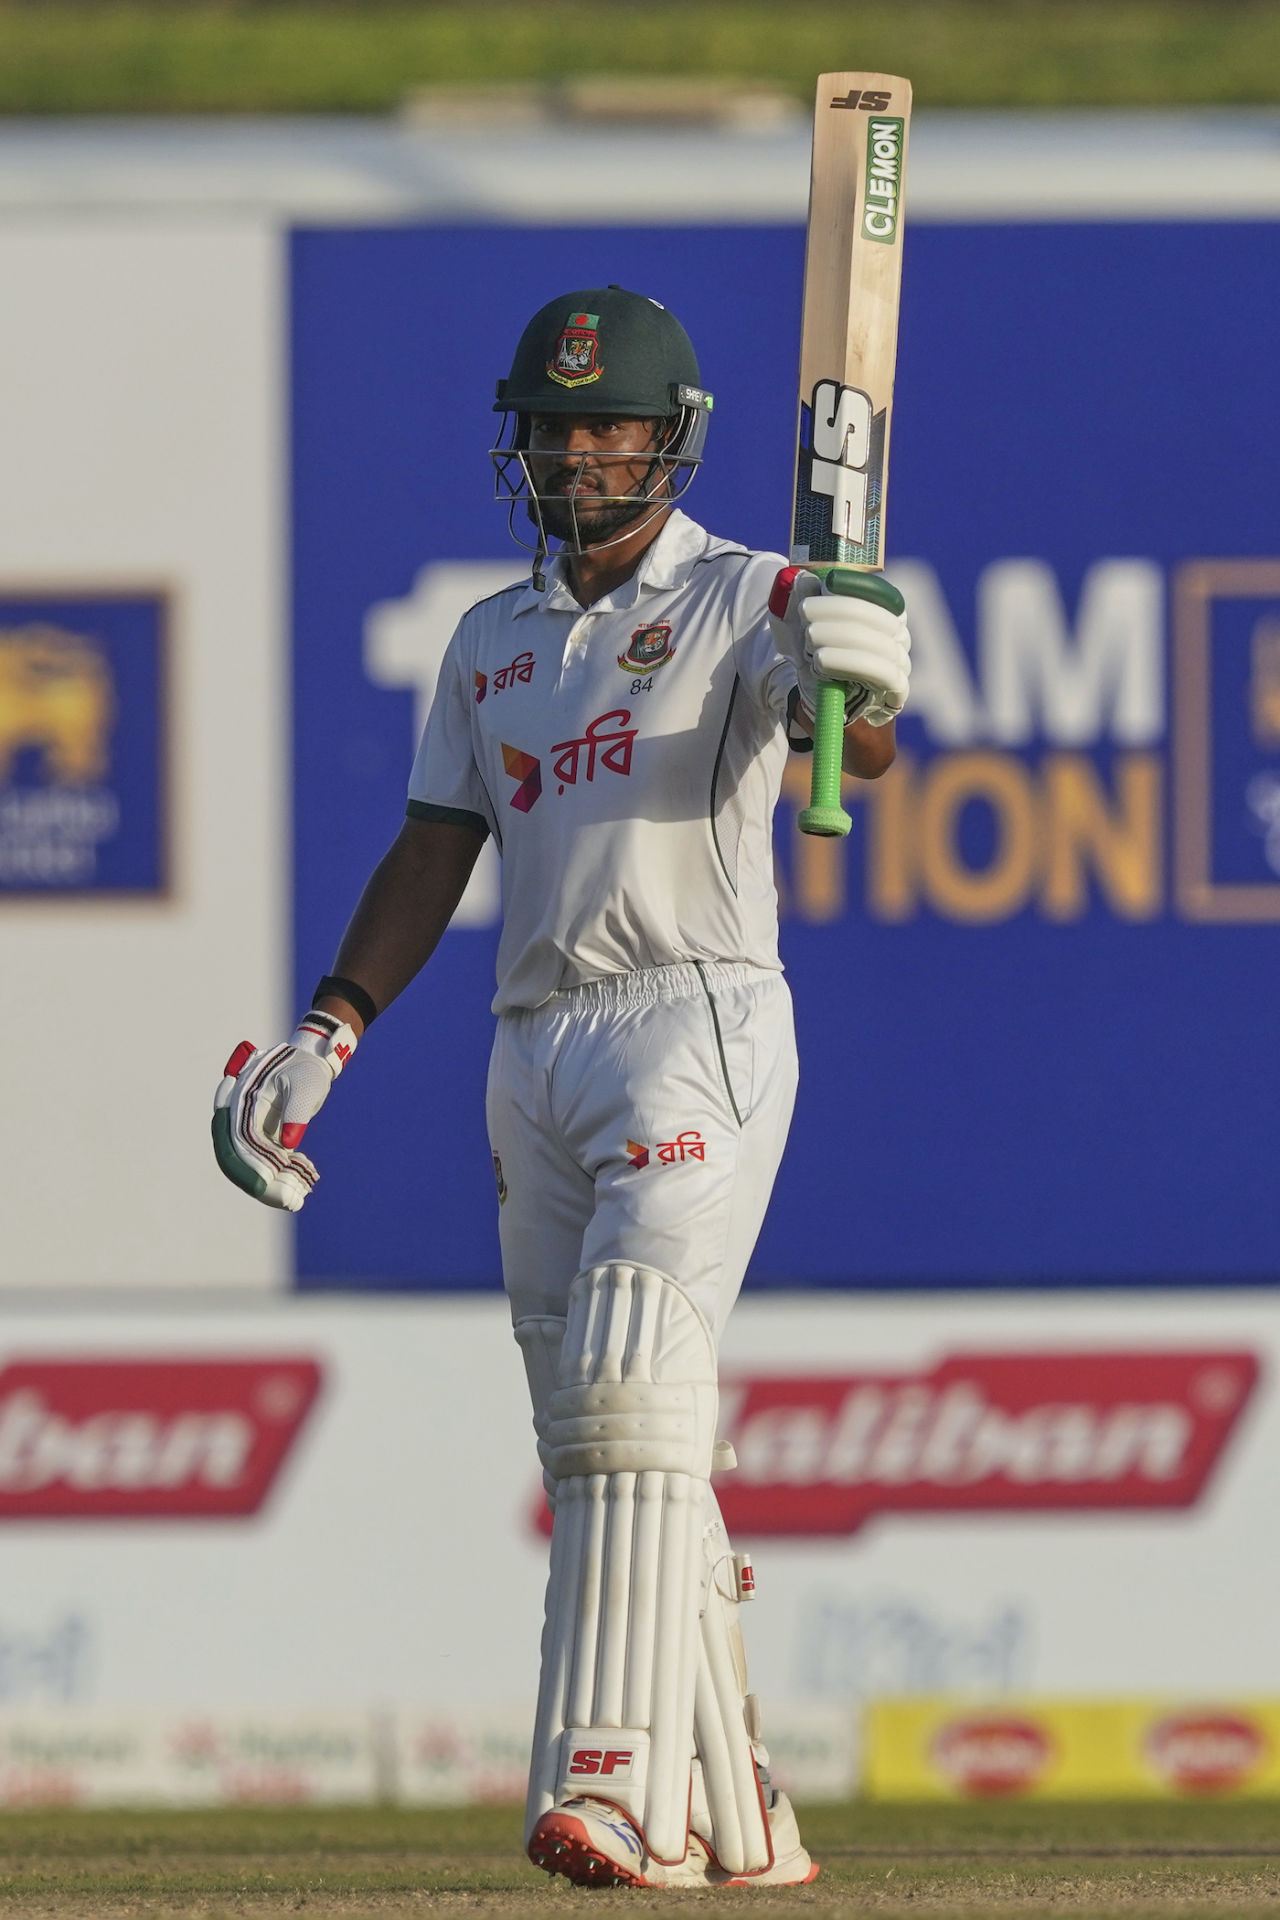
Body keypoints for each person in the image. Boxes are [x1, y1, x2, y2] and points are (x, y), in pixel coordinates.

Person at [213, 286, 911, 1888]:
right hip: (531, 1046)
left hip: (697, 1017)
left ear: (669, 443)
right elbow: (433, 846)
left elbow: (857, 748)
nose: (581, 456)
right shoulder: (490, 639)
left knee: (628, 1384)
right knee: (610, 1442)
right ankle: (742, 1809)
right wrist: (332, 1025)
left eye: (609, 429)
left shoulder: (750, 592)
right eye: (556, 428)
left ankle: (611, 1790)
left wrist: (860, 683)